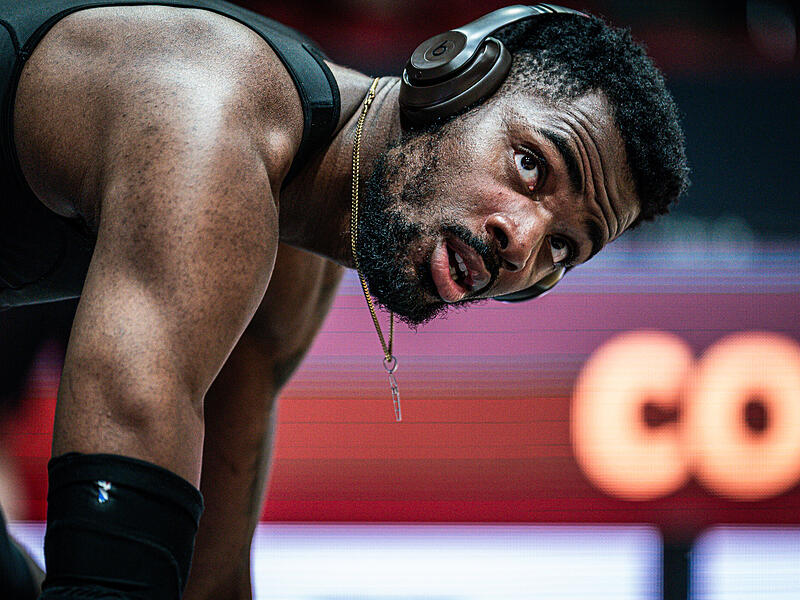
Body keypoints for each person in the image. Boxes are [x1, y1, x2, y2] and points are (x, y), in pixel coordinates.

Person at [0, 1, 689, 598]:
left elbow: (206, 580)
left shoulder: (293, 251)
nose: (524, 243)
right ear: (456, 74)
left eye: (566, 246)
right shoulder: (218, 121)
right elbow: (109, 557)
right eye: (532, 164)